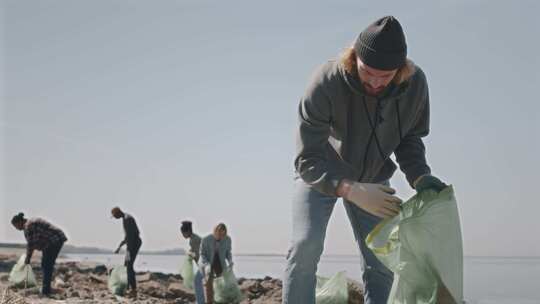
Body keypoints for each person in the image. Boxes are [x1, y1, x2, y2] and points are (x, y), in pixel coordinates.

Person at [283, 16, 447, 304]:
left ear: (401, 68)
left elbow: (409, 138)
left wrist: (419, 175)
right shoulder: (326, 80)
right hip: (321, 171)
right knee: (305, 245)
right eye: (367, 71)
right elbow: (306, 158)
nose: (375, 82)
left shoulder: (415, 83)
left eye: (385, 76)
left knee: (381, 259)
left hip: (373, 178)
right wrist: (349, 189)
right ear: (354, 56)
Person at [11, 212, 68, 296]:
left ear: (19, 222)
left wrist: (28, 259)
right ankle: (46, 288)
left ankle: (46, 290)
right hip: (52, 240)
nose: (16, 228)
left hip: (54, 240)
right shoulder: (29, 224)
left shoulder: (28, 226)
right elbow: (35, 242)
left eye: (16, 226)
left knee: (46, 264)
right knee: (46, 264)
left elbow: (31, 244)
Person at [194, 223, 233, 304]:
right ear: (215, 231)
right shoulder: (205, 239)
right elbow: (202, 254)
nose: (220, 236)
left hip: (220, 263)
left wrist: (230, 261)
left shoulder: (227, 239)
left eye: (223, 234)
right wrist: (207, 265)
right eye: (219, 234)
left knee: (223, 285)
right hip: (207, 263)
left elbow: (228, 252)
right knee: (203, 281)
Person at [111, 207, 142, 298]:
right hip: (131, 244)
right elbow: (127, 236)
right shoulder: (125, 218)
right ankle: (127, 287)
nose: (115, 218)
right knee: (126, 266)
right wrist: (119, 247)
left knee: (129, 266)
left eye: (114, 216)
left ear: (118, 213)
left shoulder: (127, 219)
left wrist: (129, 250)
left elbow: (133, 235)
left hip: (134, 244)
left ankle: (133, 290)